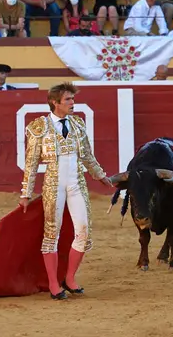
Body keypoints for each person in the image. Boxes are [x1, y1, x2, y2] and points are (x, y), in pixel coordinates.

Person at [19, 82, 113, 300]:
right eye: (68, 100)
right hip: (53, 183)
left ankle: (69, 278)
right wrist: (25, 194)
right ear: (55, 103)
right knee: (52, 233)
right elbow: (31, 164)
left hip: (77, 183)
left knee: (84, 231)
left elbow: (87, 155)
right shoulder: (39, 127)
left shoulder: (78, 124)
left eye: (73, 99)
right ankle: (53, 283)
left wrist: (100, 175)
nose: (73, 103)